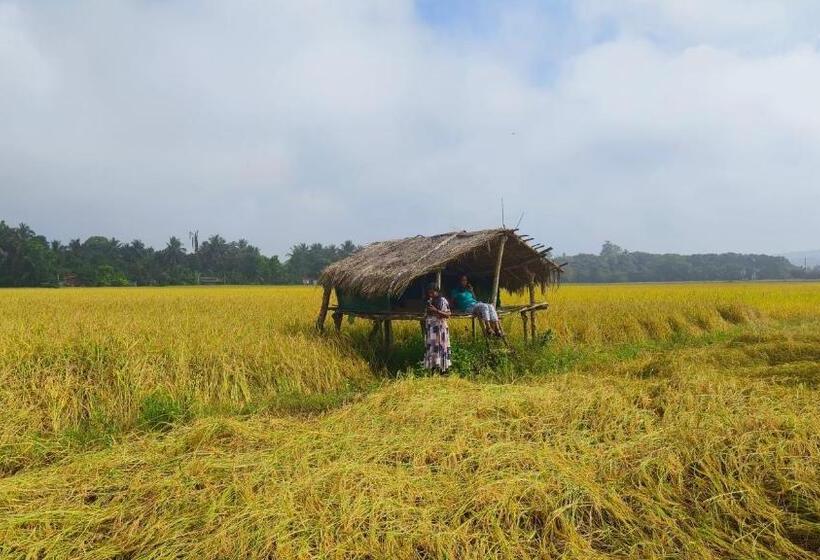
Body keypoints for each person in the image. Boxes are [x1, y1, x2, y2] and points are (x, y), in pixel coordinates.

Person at [423, 283, 451, 372]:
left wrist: (436, 310)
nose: (430, 295)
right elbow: (426, 315)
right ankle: (433, 368)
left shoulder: (443, 301)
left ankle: (443, 369)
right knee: (432, 348)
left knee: (441, 347)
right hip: (431, 329)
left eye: (432, 292)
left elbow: (448, 314)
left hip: (440, 329)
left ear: (437, 292)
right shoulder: (429, 301)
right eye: (429, 293)